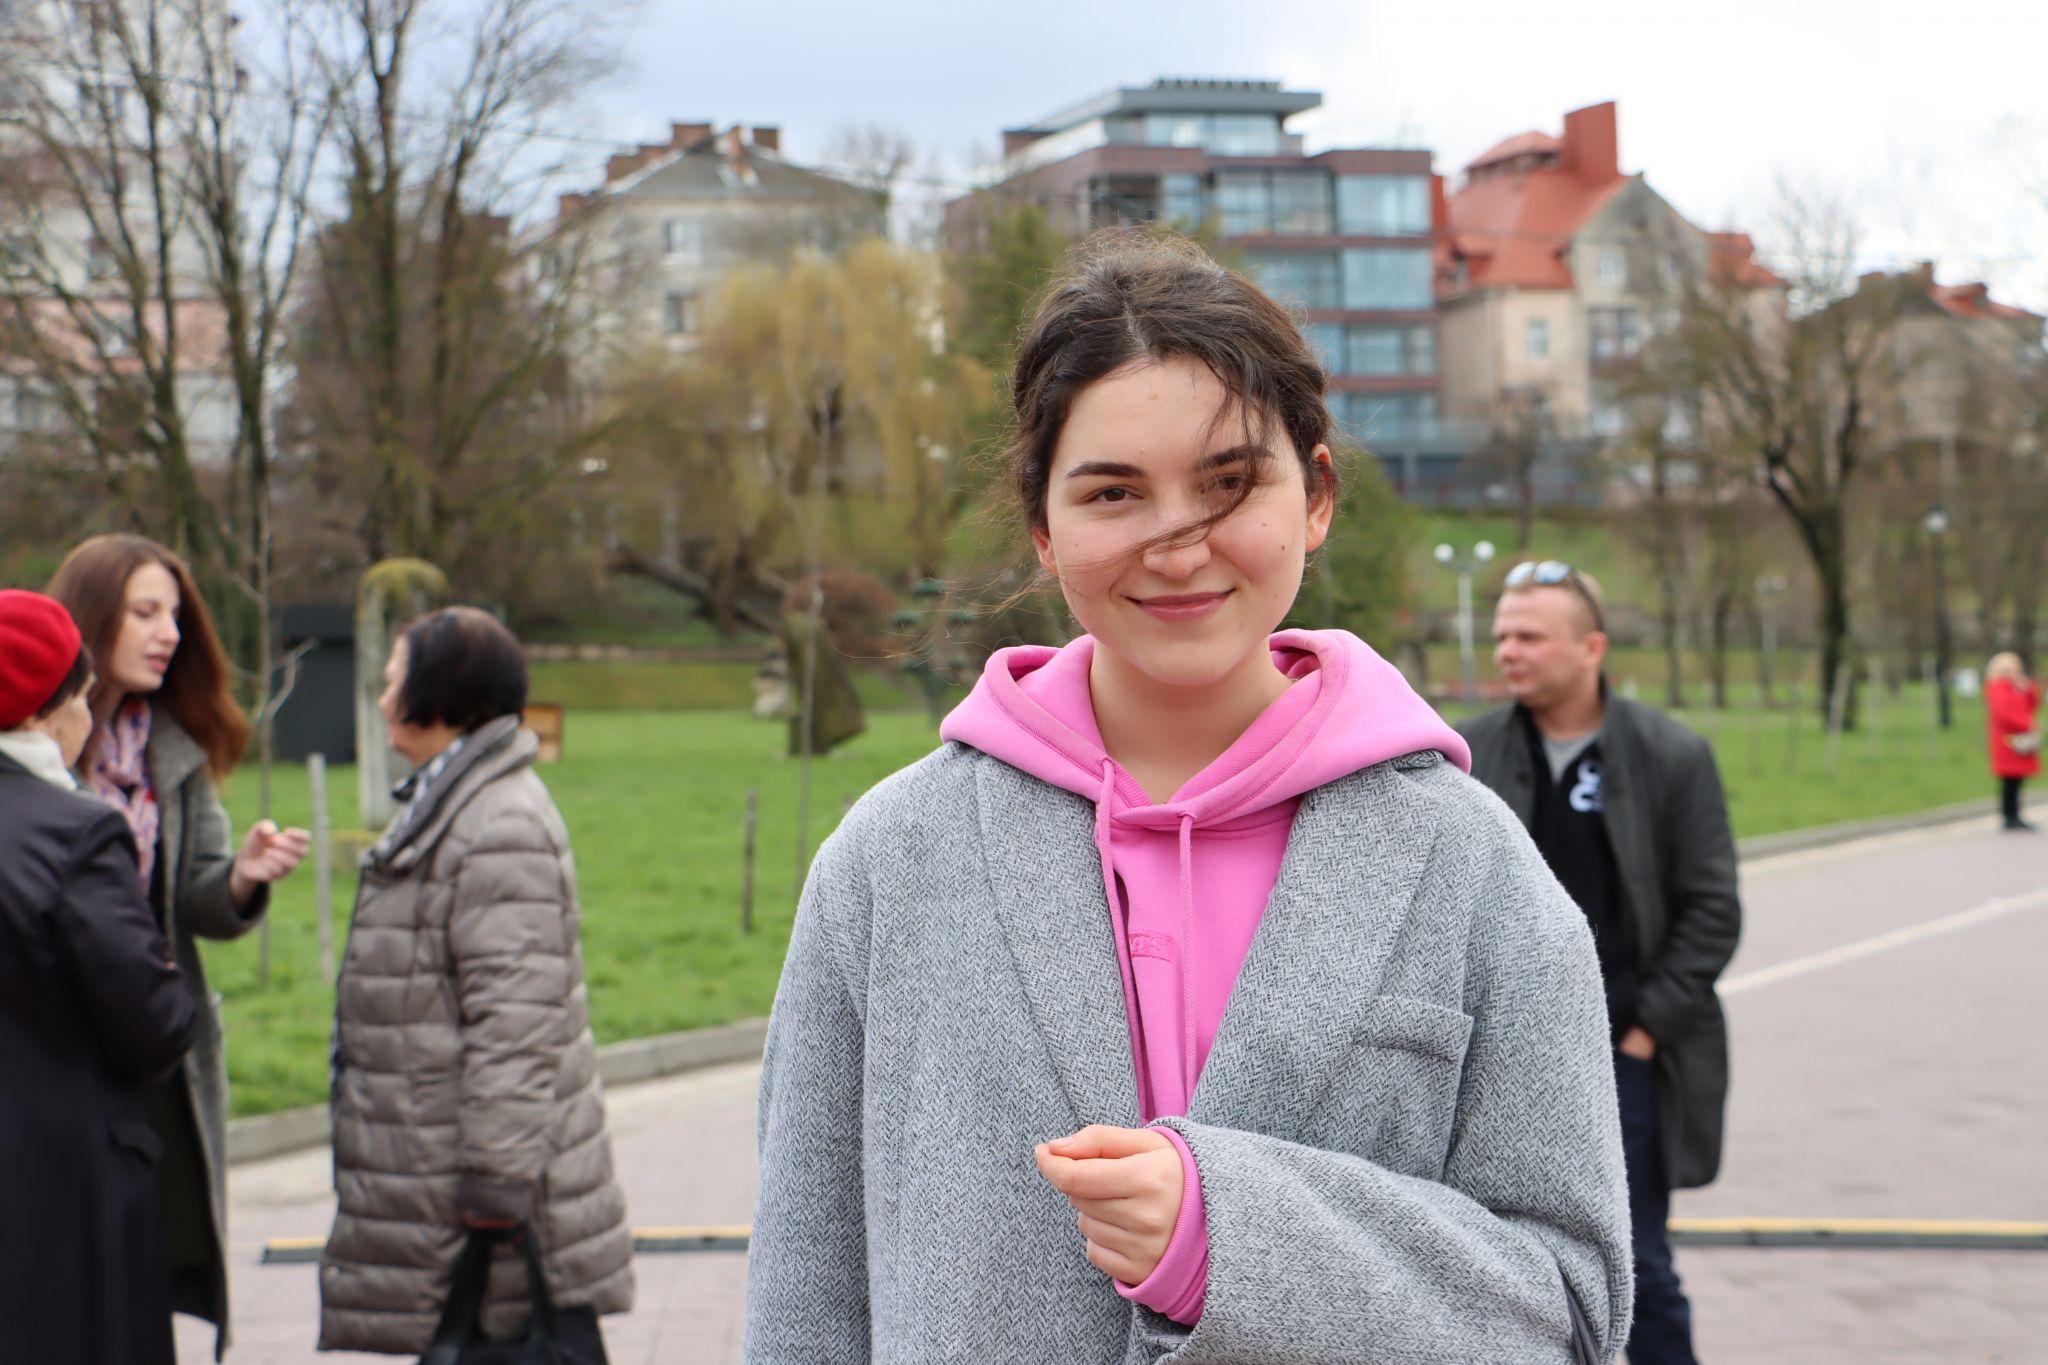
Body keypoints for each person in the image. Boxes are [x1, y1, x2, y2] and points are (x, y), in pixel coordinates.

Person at [744, 234, 1632, 1363]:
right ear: (1040, 524)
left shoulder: (1470, 865)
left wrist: (1234, 1235)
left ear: (1314, 496)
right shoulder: (888, 862)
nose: (1177, 546)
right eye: (1113, 491)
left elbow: (1570, 1311)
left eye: (1227, 483)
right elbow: (804, 1304)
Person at [319, 606, 633, 1355]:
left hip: (488, 1213)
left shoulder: (498, 822)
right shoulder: (454, 802)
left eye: (394, 677)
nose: (383, 694)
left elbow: (516, 1025)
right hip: (443, 1178)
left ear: (441, 690)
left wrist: (495, 1194)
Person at [1458, 562, 1742, 1365]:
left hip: (1625, 1059)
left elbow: (1712, 909)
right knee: (1493, 1273)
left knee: (1638, 1267)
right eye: (1502, 633)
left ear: (1591, 648)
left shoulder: (1671, 754)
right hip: (1498, 1063)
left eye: (1529, 635)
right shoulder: (1467, 752)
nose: (1507, 650)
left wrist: (1645, 1032)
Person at [46, 533, 309, 1359]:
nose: (169, 633)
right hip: (48, 1045)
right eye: (145, 611)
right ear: (92, 619)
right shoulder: (34, 742)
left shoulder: (177, 746)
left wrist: (243, 876)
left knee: (140, 1259)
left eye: (176, 615)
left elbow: (198, 899)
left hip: (152, 1050)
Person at [0, 589, 198, 1365]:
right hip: (62, 1192)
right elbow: (154, 1022)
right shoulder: (75, 831)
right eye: (82, 695)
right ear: (49, 712)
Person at [1984, 652, 2038, 832]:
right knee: (2010, 780)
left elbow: (2031, 705)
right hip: (2007, 741)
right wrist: (2027, 724)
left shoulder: (2017, 687)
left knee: (2017, 780)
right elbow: (2004, 713)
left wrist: (2028, 688)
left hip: (2020, 740)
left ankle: (2015, 815)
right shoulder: (1998, 688)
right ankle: (2009, 816)